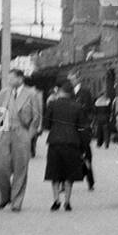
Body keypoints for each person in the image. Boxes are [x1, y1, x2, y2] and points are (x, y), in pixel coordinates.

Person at [0, 67, 38, 211]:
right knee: (1, 167)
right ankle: (4, 197)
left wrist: (29, 135)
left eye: (12, 78)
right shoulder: (3, 93)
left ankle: (16, 201)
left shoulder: (31, 94)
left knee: (20, 168)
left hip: (21, 132)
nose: (9, 81)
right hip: (4, 132)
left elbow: (36, 117)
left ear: (20, 78)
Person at [43, 75, 87, 211]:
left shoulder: (52, 105)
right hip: (72, 142)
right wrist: (83, 145)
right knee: (69, 174)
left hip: (55, 141)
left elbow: (46, 124)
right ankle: (67, 201)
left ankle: (56, 200)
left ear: (61, 92)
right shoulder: (77, 106)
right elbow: (82, 127)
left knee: (54, 173)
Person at [74, 78, 96, 191]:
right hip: (71, 130)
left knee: (87, 156)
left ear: (77, 78)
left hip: (83, 130)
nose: (70, 80)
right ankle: (65, 183)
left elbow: (91, 109)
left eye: (71, 78)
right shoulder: (67, 93)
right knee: (68, 156)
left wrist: (88, 124)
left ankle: (90, 181)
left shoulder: (85, 92)